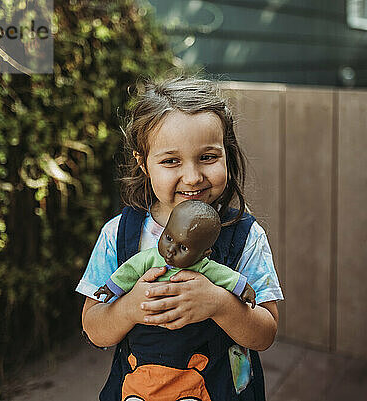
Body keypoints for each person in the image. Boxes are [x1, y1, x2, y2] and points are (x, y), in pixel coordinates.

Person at [76, 76, 284, 401]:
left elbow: (265, 333)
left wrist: (219, 304)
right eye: (171, 161)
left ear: (226, 154)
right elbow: (94, 328)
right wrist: (129, 308)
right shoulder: (118, 234)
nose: (192, 176)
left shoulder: (246, 236)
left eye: (208, 157)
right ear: (142, 163)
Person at [93, 200, 256, 308]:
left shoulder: (204, 267)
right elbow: (130, 270)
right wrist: (111, 288)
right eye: (168, 238)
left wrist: (243, 289)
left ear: (204, 254)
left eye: (183, 248)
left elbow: (226, 276)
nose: (171, 249)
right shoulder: (150, 258)